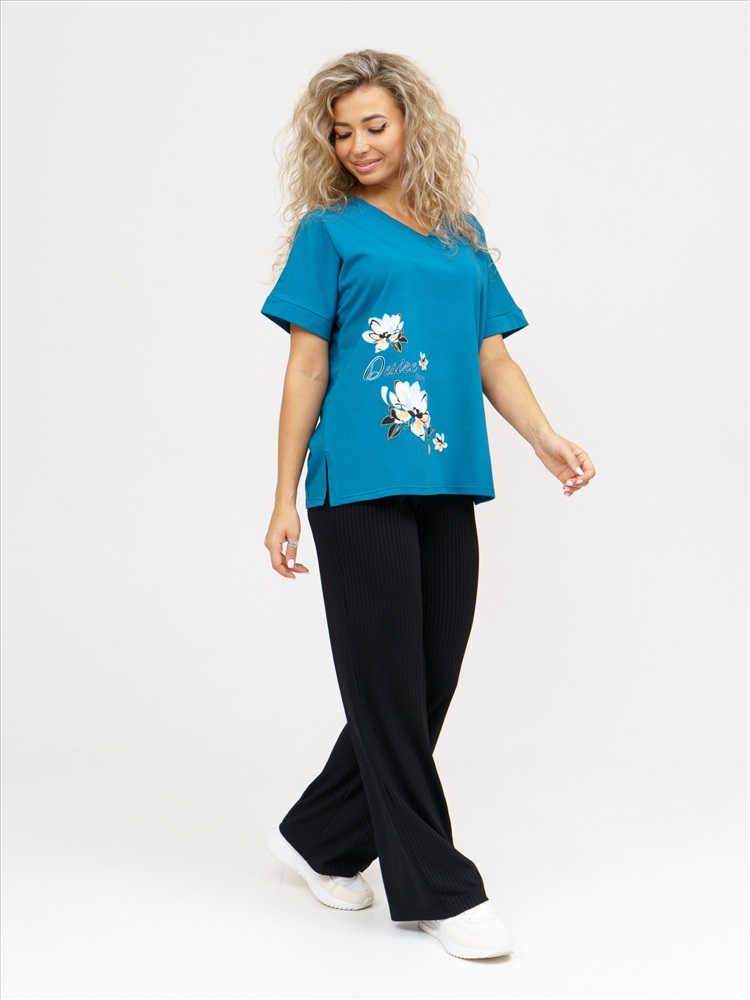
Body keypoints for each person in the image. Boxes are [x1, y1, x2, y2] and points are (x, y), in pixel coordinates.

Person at [260, 49, 595, 961]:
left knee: (423, 683)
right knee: (388, 689)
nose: (358, 145)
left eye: (374, 125)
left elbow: (492, 355)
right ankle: (438, 890)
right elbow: (306, 367)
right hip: (357, 485)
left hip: (449, 480)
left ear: (412, 124)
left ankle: (320, 837)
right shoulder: (328, 233)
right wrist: (283, 496)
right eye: (341, 133)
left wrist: (544, 437)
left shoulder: (461, 233)